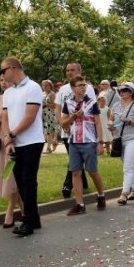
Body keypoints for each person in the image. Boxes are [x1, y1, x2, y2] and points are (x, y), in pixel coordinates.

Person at [0, 57, 45, 237]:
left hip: (32, 141)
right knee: (20, 179)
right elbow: (5, 117)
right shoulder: (9, 92)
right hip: (15, 142)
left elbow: (30, 117)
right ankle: (34, 218)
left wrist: (12, 134)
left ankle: (28, 220)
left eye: (3, 71)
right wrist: (8, 139)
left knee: (28, 180)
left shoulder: (32, 87)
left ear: (12, 68)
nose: (2, 75)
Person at [61, 76, 107, 215]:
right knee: (75, 172)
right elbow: (63, 123)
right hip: (74, 141)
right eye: (80, 85)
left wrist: (100, 142)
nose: (83, 87)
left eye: (84, 85)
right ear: (73, 88)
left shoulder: (92, 103)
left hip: (89, 141)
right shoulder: (68, 103)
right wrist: (73, 117)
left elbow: (98, 123)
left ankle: (101, 195)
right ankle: (79, 204)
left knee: (92, 171)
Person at [54, 63, 92, 198]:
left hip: (83, 131)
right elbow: (57, 108)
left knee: (75, 159)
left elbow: (91, 108)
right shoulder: (63, 90)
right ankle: (82, 182)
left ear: (79, 71)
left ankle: (67, 184)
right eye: (67, 70)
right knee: (74, 158)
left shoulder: (88, 88)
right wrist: (62, 122)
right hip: (67, 130)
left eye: (72, 70)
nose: (69, 72)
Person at [0, 74, 23, 228]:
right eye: (1, 80)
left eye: (6, 80)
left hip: (15, 138)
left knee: (13, 176)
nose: (3, 83)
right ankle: (24, 209)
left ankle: (10, 211)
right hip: (1, 140)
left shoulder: (19, 97)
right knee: (6, 175)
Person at [111, 82, 134, 205]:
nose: (122, 92)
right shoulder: (116, 105)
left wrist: (129, 120)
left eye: (125, 90)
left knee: (127, 166)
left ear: (131, 92)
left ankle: (124, 193)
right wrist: (111, 126)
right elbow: (111, 119)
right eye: (120, 90)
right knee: (129, 165)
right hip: (119, 139)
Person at [41, 79, 59, 153]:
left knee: (49, 131)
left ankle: (48, 148)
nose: (44, 87)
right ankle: (54, 143)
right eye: (43, 85)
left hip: (50, 114)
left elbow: (55, 106)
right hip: (43, 113)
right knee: (45, 131)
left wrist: (46, 104)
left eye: (46, 85)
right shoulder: (42, 93)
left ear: (50, 86)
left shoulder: (52, 94)